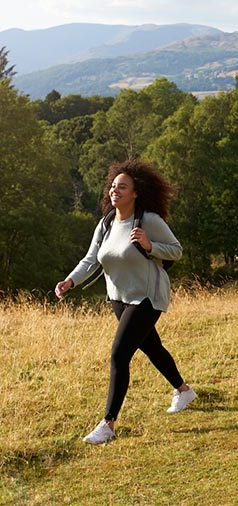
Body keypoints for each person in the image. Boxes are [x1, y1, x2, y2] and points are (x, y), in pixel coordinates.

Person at [55, 159, 196, 444]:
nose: (114, 191)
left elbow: (176, 251)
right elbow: (91, 259)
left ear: (135, 193)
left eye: (122, 187)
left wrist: (149, 245)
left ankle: (108, 424)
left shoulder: (149, 221)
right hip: (118, 298)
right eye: (113, 186)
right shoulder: (106, 223)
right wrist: (70, 280)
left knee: (119, 355)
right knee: (152, 347)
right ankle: (184, 390)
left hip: (147, 296)